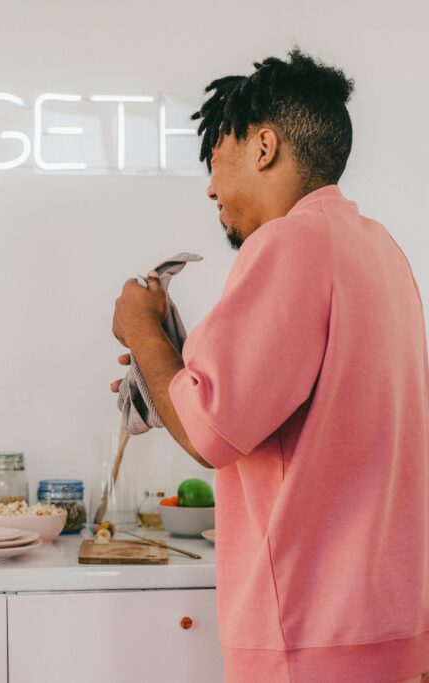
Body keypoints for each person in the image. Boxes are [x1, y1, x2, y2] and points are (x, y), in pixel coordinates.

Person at [111, 50, 429, 682]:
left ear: (263, 146)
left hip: (307, 631)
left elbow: (212, 431)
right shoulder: (381, 250)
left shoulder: (289, 242)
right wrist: (166, 363)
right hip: (391, 623)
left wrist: (141, 329)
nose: (210, 187)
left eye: (214, 161)